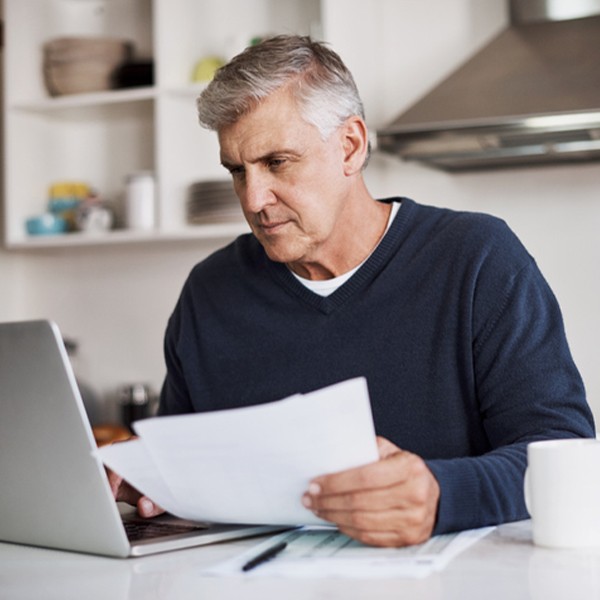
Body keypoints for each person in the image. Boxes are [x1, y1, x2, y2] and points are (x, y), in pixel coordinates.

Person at [110, 35, 595, 547]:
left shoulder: (477, 259)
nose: (253, 198)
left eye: (277, 162)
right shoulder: (210, 292)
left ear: (351, 146)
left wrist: (441, 493)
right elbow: (180, 460)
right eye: (237, 170)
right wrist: (148, 480)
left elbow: (564, 452)